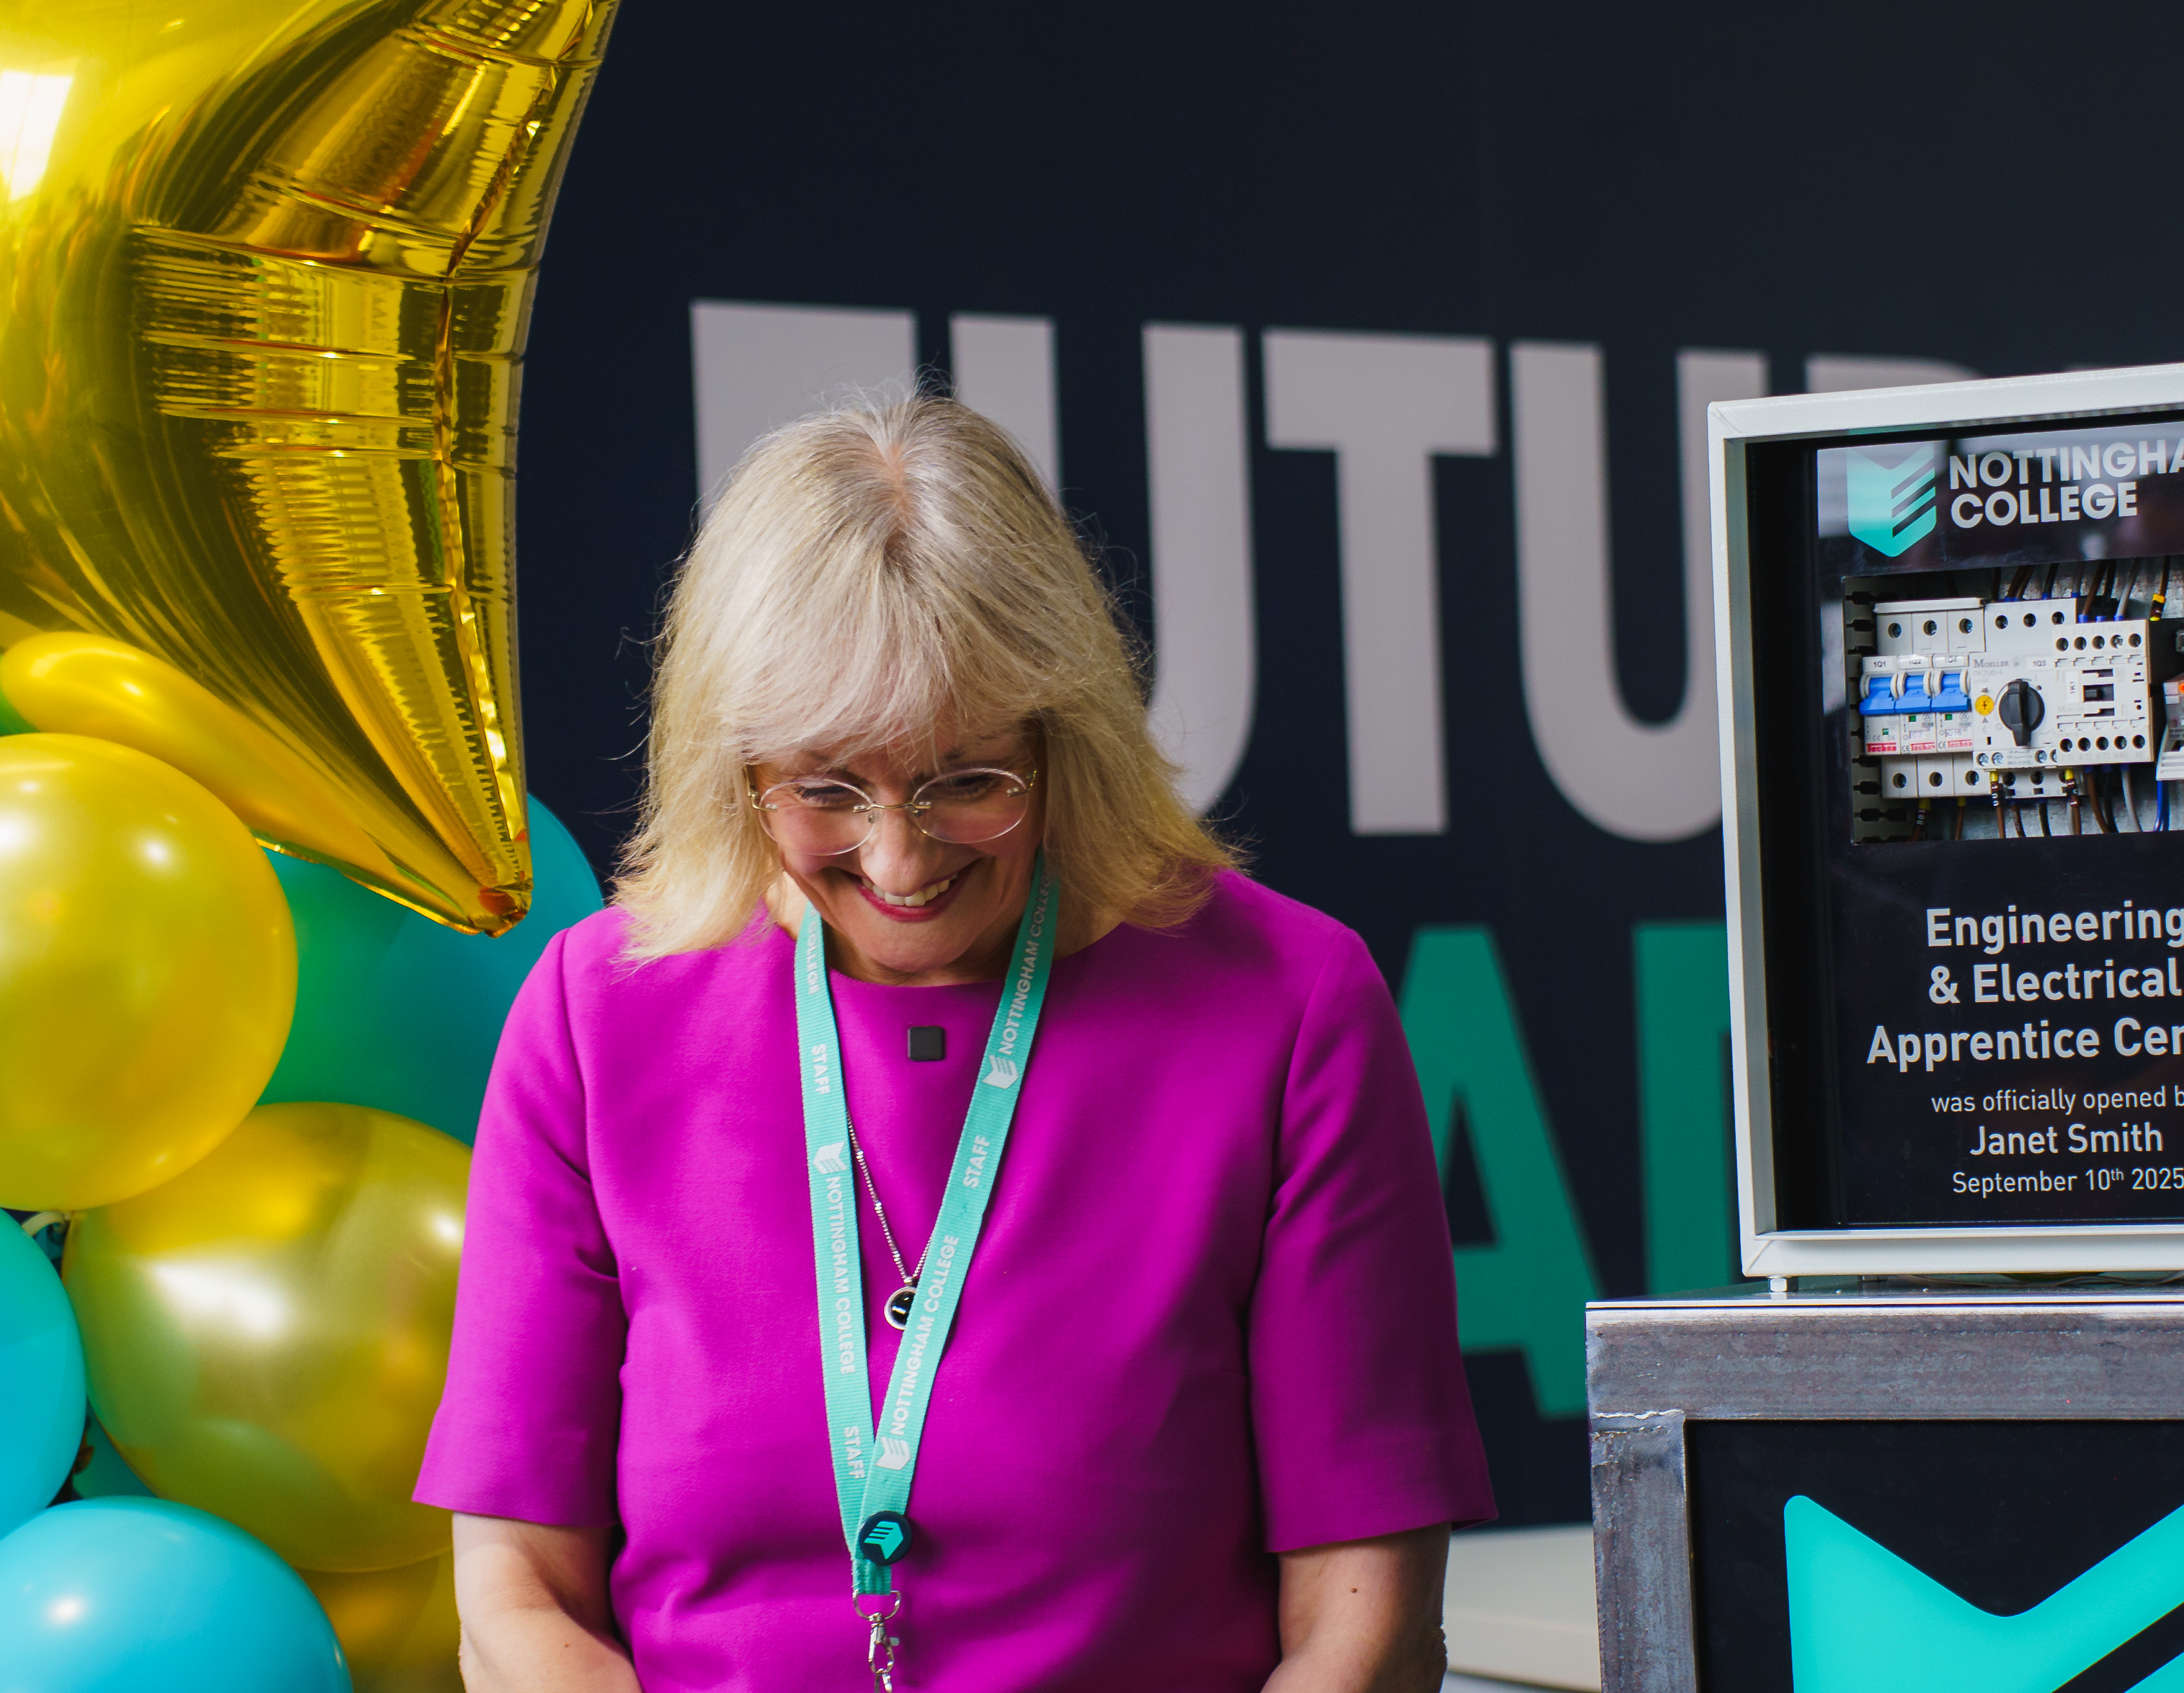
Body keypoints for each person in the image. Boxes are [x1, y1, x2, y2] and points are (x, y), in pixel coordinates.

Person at [416, 397, 1494, 1693]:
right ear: (735, 767)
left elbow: (1362, 1626)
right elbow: (516, 1596)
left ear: (1066, 739)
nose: (900, 858)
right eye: (827, 789)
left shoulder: (1290, 1007)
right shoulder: (598, 1018)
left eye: (966, 779)